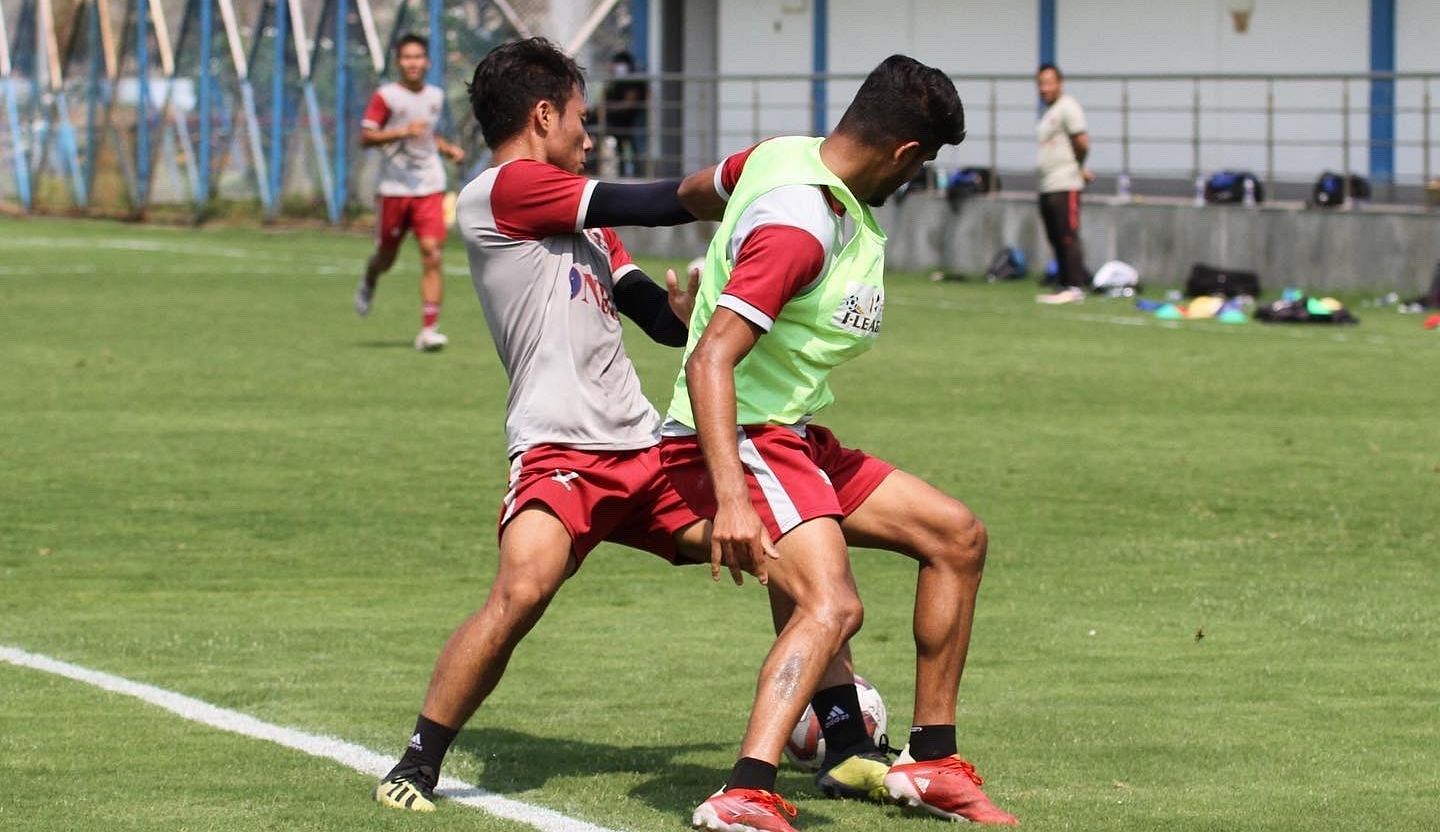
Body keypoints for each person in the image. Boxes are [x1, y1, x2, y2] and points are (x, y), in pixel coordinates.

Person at [371, 37, 888, 816]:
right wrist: (764, 171)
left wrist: (681, 317)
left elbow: (652, 313)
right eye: (580, 118)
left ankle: (845, 737)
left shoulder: (578, 222)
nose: (589, 134)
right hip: (560, 455)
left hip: (645, 453)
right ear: (541, 115)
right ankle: (418, 761)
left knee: (788, 557)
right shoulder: (505, 190)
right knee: (521, 594)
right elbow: (651, 202)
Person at [660, 55, 1019, 830]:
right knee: (832, 603)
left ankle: (931, 761)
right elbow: (710, 358)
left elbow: (690, 192)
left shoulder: (775, 157)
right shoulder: (800, 226)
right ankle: (745, 790)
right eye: (923, 167)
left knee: (956, 537)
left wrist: (705, 261)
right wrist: (731, 500)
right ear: (905, 154)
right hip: (744, 434)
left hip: (795, 434)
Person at [356, 34, 466, 351]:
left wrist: (447, 149)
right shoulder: (386, 97)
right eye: (406, 57)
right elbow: (366, 137)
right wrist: (404, 131)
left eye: (418, 57)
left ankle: (429, 330)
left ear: (427, 61)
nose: (413, 63)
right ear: (398, 62)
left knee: (432, 252)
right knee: (386, 257)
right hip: (394, 187)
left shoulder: (436, 96)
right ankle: (370, 278)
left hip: (428, 185)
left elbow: (429, 136)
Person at [1033, 62, 1093, 305]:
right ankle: (1063, 282)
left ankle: (1074, 286)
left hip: (1065, 182)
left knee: (1068, 235)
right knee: (1055, 236)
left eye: (1048, 83)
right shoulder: (1049, 113)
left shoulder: (1068, 107)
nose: (1044, 88)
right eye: (1040, 84)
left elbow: (1082, 143)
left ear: (1060, 83)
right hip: (1048, 184)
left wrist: (1076, 168)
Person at [602, 51, 647, 176]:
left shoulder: (633, 81)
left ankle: (639, 173)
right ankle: (623, 173)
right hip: (618, 125)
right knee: (620, 152)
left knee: (636, 150)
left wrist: (610, 107)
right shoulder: (614, 81)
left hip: (633, 123)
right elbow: (604, 98)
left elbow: (630, 103)